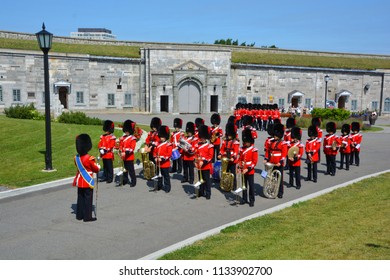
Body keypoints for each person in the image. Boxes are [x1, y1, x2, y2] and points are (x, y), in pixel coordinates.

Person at [73, 134, 100, 222]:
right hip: (87, 181)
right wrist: (98, 166)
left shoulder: (76, 158)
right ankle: (87, 217)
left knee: (80, 198)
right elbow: (95, 169)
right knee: (88, 199)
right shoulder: (89, 158)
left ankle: (79, 215)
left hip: (79, 180)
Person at [264, 123, 287, 198]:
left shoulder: (283, 143)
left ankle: (280, 192)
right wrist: (266, 159)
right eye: (274, 135)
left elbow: (284, 154)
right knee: (271, 178)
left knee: (279, 179)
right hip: (271, 162)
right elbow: (268, 151)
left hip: (278, 163)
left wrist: (280, 162)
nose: (274, 136)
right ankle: (272, 190)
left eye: (276, 135)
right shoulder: (271, 142)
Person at [238, 128, 258, 207]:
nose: (245, 143)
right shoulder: (242, 149)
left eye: (247, 142)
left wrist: (248, 169)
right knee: (244, 185)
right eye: (245, 142)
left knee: (251, 186)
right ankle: (244, 198)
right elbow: (240, 159)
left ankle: (252, 200)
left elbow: (254, 162)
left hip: (249, 171)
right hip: (243, 170)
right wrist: (239, 167)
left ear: (250, 142)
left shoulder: (254, 150)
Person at [218, 122, 240, 191]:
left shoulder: (235, 142)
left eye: (230, 135)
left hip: (232, 161)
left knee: (233, 174)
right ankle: (225, 185)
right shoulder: (225, 142)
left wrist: (233, 157)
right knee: (225, 173)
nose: (229, 136)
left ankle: (234, 186)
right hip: (226, 160)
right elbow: (222, 149)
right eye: (228, 135)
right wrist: (220, 154)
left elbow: (236, 152)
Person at [194, 125, 214, 199]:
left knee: (207, 180)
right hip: (199, 165)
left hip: (206, 165)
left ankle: (208, 193)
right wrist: (195, 161)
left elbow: (210, 157)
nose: (202, 139)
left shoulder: (210, 146)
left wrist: (204, 162)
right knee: (200, 179)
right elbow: (195, 154)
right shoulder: (198, 145)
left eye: (203, 137)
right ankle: (201, 191)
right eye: (201, 137)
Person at [154, 125, 173, 193]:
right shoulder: (157, 144)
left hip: (165, 164)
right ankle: (159, 185)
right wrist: (155, 158)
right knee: (159, 175)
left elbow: (168, 154)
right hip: (158, 163)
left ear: (166, 137)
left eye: (163, 137)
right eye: (161, 136)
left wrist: (162, 159)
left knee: (166, 176)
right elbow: (155, 152)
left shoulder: (168, 144)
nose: (161, 138)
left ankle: (167, 187)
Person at [118, 119, 137, 187]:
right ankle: (125, 180)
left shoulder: (133, 138)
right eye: (125, 131)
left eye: (127, 131)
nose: (126, 132)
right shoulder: (123, 138)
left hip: (129, 157)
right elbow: (120, 145)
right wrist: (120, 151)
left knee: (131, 170)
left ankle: (133, 181)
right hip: (124, 156)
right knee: (125, 169)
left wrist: (125, 153)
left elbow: (132, 149)